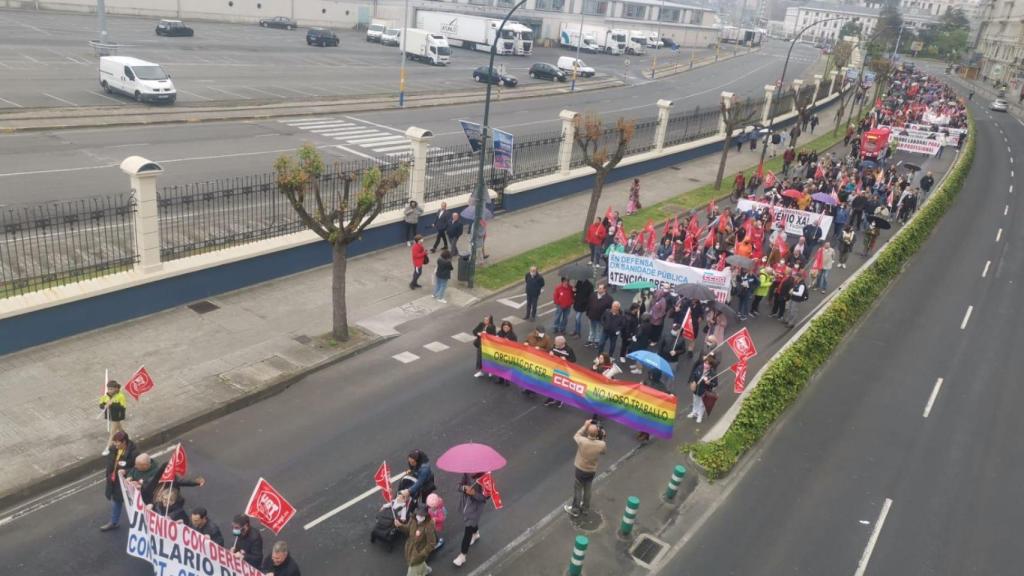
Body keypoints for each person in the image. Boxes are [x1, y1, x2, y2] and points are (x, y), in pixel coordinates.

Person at [563, 419, 606, 519]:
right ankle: (585, 508)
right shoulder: (601, 444)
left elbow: (576, 435)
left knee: (578, 489)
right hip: (591, 471)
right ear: (597, 433)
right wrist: (602, 437)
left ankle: (575, 509)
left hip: (580, 469)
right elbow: (603, 451)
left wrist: (585, 426)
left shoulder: (582, 441)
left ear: (588, 432)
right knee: (588, 489)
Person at [100, 430, 136, 531]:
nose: (115, 444)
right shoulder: (113, 449)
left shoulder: (134, 452)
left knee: (133, 503)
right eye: (114, 442)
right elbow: (110, 465)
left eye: (117, 442)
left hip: (127, 482)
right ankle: (114, 522)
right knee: (116, 500)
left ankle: (140, 523)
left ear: (124, 442)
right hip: (115, 481)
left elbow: (137, 468)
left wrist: (126, 471)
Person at [452, 473, 490, 568]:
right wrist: (464, 488)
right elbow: (458, 486)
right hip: (465, 504)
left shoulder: (486, 479)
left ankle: (462, 555)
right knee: (471, 524)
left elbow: (485, 497)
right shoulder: (467, 473)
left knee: (468, 529)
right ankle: (476, 533)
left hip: (475, 509)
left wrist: (474, 494)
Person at [397, 506, 437, 576]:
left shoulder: (428, 526)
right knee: (418, 564)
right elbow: (408, 529)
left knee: (412, 569)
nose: (420, 517)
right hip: (410, 548)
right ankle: (425, 570)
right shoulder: (413, 519)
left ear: (426, 515)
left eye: (422, 515)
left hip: (418, 552)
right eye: (418, 514)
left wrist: (421, 554)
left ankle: (424, 570)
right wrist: (400, 525)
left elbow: (431, 544)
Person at [687, 354, 719, 424]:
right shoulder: (700, 367)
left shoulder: (713, 373)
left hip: (705, 391)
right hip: (697, 389)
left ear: (711, 365)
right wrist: (693, 382)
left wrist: (709, 383)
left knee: (702, 404)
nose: (706, 365)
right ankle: (694, 412)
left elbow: (715, 384)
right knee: (695, 401)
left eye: (708, 364)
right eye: (705, 363)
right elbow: (694, 374)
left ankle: (700, 416)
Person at [546, 336, 576, 407]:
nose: (554, 343)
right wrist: (549, 352)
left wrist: (566, 360)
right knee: (552, 384)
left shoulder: (569, 350)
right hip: (554, 369)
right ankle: (551, 398)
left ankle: (559, 399)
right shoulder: (554, 346)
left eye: (556, 342)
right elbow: (549, 351)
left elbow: (573, 360)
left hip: (563, 371)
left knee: (560, 386)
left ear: (561, 343)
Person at [99, 380, 127, 456]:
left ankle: (107, 447)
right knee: (119, 428)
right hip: (110, 415)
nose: (109, 390)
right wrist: (104, 405)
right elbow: (101, 404)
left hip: (117, 415)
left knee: (112, 432)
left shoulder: (120, 396)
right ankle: (126, 437)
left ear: (116, 388)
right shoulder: (105, 396)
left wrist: (112, 404)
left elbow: (123, 406)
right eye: (108, 389)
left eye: (111, 389)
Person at [585, 283, 613, 348]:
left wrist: (606, 318)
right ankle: (590, 340)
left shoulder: (609, 299)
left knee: (599, 330)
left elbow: (609, 309)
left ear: (605, 289)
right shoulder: (593, 295)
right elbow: (589, 304)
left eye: (600, 288)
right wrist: (587, 313)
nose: (598, 290)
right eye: (598, 288)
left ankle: (597, 341)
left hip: (600, 318)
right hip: (591, 316)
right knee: (591, 329)